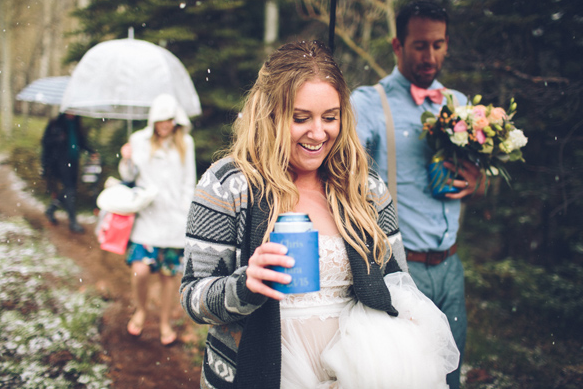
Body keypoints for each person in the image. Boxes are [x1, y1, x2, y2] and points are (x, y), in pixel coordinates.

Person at [181, 40, 458, 388]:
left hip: (356, 372)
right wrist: (245, 286)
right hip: (264, 373)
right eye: (300, 118)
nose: (318, 133)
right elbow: (193, 298)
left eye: (330, 117)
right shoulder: (228, 185)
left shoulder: (365, 187)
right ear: (269, 114)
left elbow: (397, 280)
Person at [350, 0, 477, 388]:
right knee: (408, 375)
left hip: (451, 265)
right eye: (421, 45)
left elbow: (472, 175)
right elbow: (344, 180)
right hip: (401, 267)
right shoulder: (368, 103)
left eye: (438, 45)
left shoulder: (459, 104)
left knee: (450, 372)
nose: (431, 55)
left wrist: (476, 182)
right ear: (397, 46)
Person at [117, 94, 195, 346]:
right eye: (161, 120)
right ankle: (140, 309)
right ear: (153, 121)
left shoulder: (186, 143)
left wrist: (185, 210)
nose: (165, 125)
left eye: (169, 120)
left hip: (174, 220)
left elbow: (188, 182)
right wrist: (126, 158)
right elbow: (128, 176)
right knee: (140, 270)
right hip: (146, 219)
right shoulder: (138, 140)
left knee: (168, 276)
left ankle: (164, 323)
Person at [41, 112, 95, 233]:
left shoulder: (76, 123)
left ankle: (51, 209)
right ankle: (73, 222)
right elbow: (46, 143)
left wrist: (91, 151)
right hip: (59, 162)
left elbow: (80, 142)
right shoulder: (56, 124)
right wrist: (57, 138)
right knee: (69, 189)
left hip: (74, 161)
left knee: (69, 190)